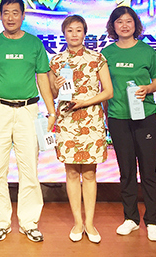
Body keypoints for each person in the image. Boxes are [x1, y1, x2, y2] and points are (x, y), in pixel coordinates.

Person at [0, 0, 55, 243]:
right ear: (0, 15)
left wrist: (52, 111)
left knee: (29, 168)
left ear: (23, 15)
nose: (10, 17)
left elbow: (42, 78)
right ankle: (1, 223)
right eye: (6, 13)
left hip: (28, 111)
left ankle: (29, 222)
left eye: (15, 12)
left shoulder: (34, 44)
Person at [100, 6, 156, 242]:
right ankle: (131, 218)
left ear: (136, 24)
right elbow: (104, 88)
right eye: (119, 22)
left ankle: (153, 221)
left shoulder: (147, 51)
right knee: (126, 171)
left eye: (128, 21)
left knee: (149, 171)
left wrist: (148, 88)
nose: (124, 26)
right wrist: (106, 116)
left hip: (145, 117)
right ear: (113, 26)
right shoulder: (106, 54)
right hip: (118, 117)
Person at [48, 15, 113, 244]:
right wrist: (55, 87)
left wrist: (85, 102)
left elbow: (108, 91)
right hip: (67, 120)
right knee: (72, 173)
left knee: (90, 173)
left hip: (91, 119)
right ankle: (77, 222)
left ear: (85, 33)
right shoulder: (56, 61)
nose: (74, 34)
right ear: (63, 34)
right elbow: (53, 95)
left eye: (78, 30)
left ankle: (90, 223)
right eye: (70, 30)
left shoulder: (97, 58)